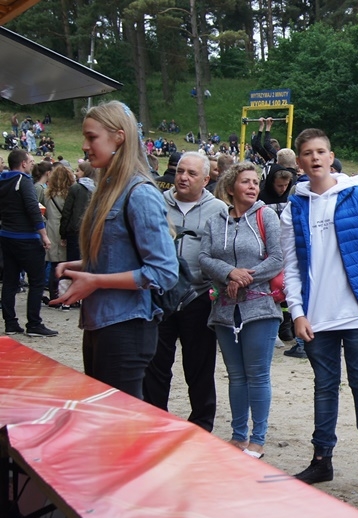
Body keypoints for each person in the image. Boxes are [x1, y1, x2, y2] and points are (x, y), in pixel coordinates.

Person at [280, 128, 358, 490]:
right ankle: (322, 460)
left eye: (321, 151)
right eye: (307, 153)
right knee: (324, 386)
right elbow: (291, 267)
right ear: (299, 162)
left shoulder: (356, 194)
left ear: (331, 157)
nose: (315, 158)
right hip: (316, 317)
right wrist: (297, 312)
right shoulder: (294, 207)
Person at [53, 101, 178, 397]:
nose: (85, 146)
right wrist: (81, 267)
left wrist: (94, 280)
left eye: (92, 137)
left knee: (118, 422)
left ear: (119, 137)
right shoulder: (109, 189)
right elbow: (118, 256)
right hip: (102, 324)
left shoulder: (140, 193)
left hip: (126, 327)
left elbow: (164, 272)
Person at [199, 162, 283, 458]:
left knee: (257, 375)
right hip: (224, 310)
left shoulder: (266, 215)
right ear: (231, 186)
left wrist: (244, 277)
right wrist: (229, 273)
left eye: (255, 182)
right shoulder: (215, 221)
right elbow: (204, 258)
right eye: (246, 181)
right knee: (235, 376)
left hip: (260, 308)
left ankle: (257, 439)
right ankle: (238, 436)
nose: (252, 187)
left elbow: (277, 258)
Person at [143, 152, 228, 432]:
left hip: (199, 297)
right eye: (180, 171)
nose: (183, 177)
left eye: (192, 173)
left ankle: (201, 426)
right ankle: (155, 421)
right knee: (156, 364)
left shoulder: (218, 209)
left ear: (206, 179)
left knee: (199, 367)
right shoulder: (157, 202)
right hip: (161, 295)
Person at [1, 149, 56, 337]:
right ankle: (34, 323)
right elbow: (33, 209)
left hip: (7, 235)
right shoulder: (23, 181)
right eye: (31, 161)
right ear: (23, 163)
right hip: (26, 237)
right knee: (37, 281)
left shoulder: (3, 180)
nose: (33, 164)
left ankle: (10, 323)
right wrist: (44, 235)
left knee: (10, 281)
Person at [42, 164, 74, 307]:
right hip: (62, 228)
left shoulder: (48, 194)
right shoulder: (69, 194)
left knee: (54, 263)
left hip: (51, 228)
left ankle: (53, 295)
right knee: (63, 264)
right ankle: (62, 295)